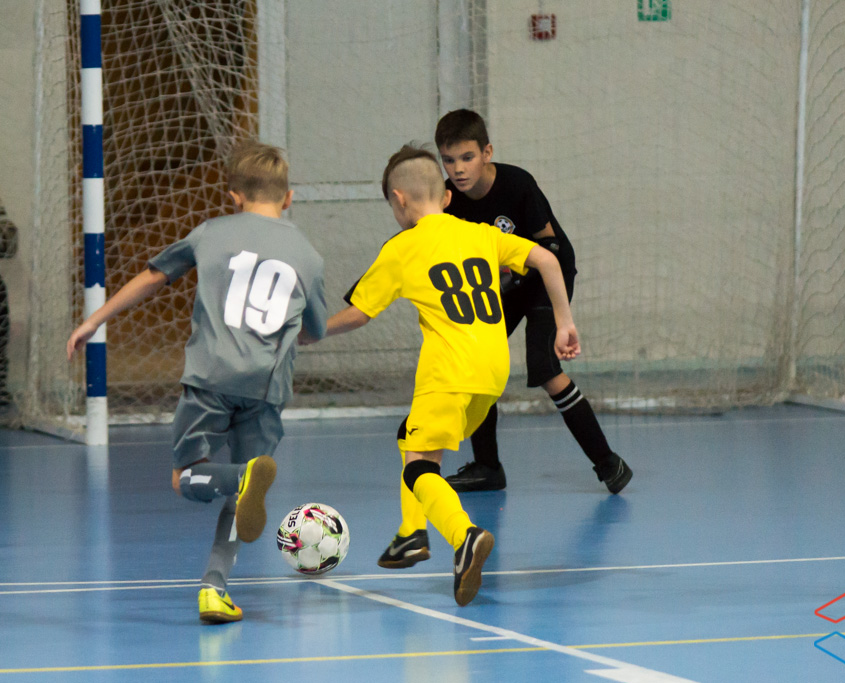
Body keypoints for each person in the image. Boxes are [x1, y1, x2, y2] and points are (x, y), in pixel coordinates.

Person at [66, 141, 328, 620]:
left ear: (234, 196)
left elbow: (152, 278)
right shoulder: (308, 255)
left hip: (211, 377)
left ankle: (240, 482)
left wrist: (94, 321)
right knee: (244, 495)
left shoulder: (211, 232)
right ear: (289, 198)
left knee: (186, 477)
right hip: (267, 387)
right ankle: (214, 586)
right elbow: (314, 331)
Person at [313, 145, 578, 605]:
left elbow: (359, 313)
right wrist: (564, 322)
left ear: (399, 200)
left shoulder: (402, 247)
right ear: (448, 196)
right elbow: (549, 260)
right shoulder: (480, 234)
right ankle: (410, 534)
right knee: (412, 437)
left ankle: (463, 536)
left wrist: (310, 333)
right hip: (493, 370)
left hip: (448, 370)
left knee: (419, 465)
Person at [433, 109, 631, 494]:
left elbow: (550, 247)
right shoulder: (447, 199)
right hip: (503, 287)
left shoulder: (518, 184)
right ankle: (488, 467)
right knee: (476, 365)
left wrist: (560, 317)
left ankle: (608, 462)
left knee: (544, 366)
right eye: (449, 160)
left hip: (545, 278)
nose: (458, 169)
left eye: (467, 157)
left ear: (487, 152)